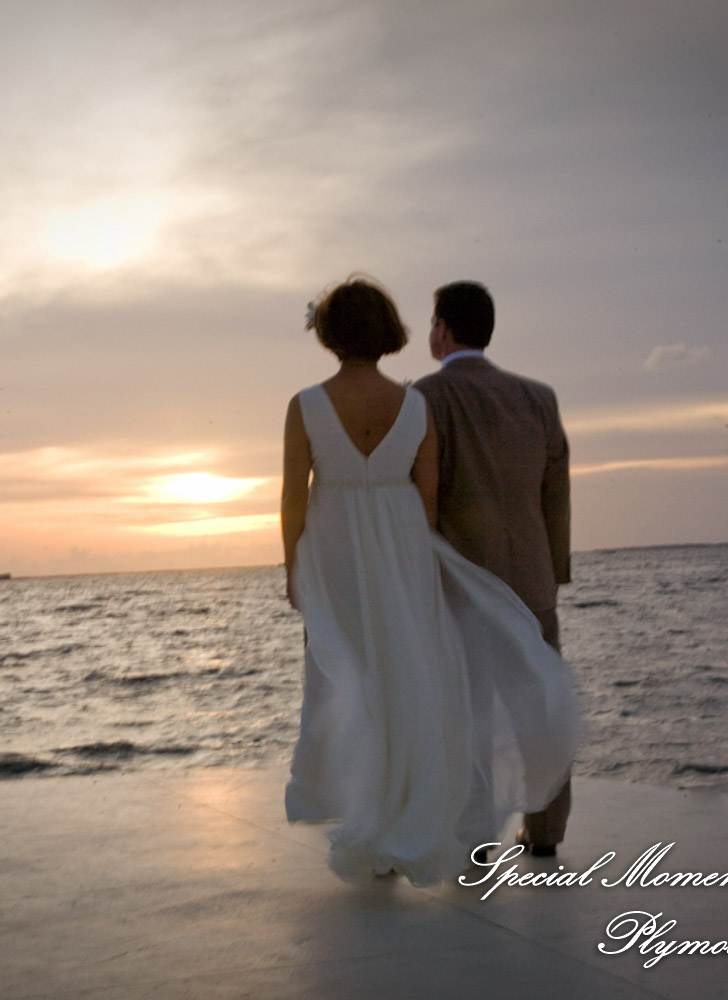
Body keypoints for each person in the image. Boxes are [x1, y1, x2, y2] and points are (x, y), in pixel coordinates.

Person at [282, 275, 577, 886]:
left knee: (414, 701)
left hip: (393, 566)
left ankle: (433, 836)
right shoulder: (518, 399)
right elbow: (532, 494)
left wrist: (309, 566)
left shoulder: (384, 398)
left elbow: (311, 499)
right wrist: (551, 569)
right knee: (506, 702)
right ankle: (539, 830)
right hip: (497, 571)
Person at [413, 280, 574, 857]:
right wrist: (553, 571)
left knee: (468, 716)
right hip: (531, 583)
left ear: (443, 330)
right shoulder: (539, 398)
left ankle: (477, 838)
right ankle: (546, 831)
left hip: (464, 585)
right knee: (539, 710)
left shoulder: (425, 398)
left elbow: (420, 497)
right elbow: (555, 494)